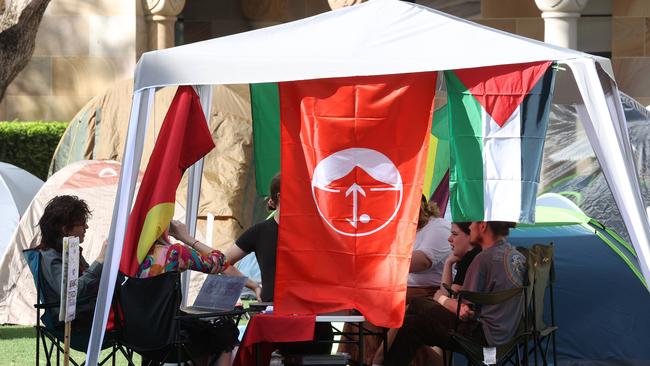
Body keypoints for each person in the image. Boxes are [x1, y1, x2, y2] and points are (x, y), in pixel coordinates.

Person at [383, 221, 526, 366]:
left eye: (473, 224)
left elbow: (464, 311)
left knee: (411, 324)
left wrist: (440, 298)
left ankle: (379, 362)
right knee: (417, 307)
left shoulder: (482, 260)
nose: (470, 227)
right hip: (510, 335)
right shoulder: (517, 255)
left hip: (485, 339)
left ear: (482, 227)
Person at [371, 222, 481, 365]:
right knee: (410, 318)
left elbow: (451, 301)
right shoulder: (472, 257)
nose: (449, 239)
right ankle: (378, 361)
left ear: (471, 237)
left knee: (413, 313)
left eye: (454, 234)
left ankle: (377, 361)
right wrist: (448, 263)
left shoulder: (472, 258)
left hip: (473, 332)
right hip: (493, 332)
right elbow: (448, 297)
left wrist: (440, 298)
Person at [136, 220, 238, 366]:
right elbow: (220, 262)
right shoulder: (174, 253)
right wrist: (186, 237)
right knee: (225, 330)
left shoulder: (126, 254)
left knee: (200, 331)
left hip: (134, 335)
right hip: (168, 337)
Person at [37, 195, 107, 332]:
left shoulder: (71, 251)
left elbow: (89, 280)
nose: (86, 226)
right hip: (74, 321)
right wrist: (99, 261)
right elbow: (72, 292)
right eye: (82, 223)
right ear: (65, 229)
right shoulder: (50, 257)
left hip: (87, 312)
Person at [406, 195, 452, 301]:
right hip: (402, 288)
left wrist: (382, 262)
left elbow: (423, 262)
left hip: (426, 291)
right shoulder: (405, 229)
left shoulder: (439, 226)